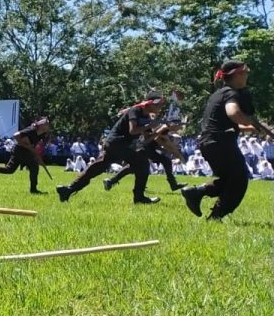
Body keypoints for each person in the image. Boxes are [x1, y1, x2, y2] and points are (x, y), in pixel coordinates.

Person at [181, 60, 272, 220]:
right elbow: (233, 114)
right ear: (236, 75)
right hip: (220, 143)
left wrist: (250, 128)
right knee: (240, 180)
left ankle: (196, 192)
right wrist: (248, 120)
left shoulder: (219, 93)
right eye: (245, 72)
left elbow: (221, 122)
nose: (247, 75)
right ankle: (216, 216)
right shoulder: (231, 93)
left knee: (230, 180)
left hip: (209, 142)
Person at [57, 93, 168, 205]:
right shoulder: (135, 111)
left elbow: (146, 139)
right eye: (158, 105)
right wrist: (150, 125)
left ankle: (68, 190)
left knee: (96, 168)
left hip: (117, 145)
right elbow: (132, 130)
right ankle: (139, 198)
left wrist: (159, 130)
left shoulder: (146, 117)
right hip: (117, 143)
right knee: (142, 164)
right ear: (150, 104)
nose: (160, 107)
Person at [0, 118, 51, 194]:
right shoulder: (31, 130)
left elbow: (32, 145)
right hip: (20, 150)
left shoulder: (42, 134)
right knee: (34, 166)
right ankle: (33, 190)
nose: (48, 126)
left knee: (9, 170)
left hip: (24, 151)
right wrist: (27, 146)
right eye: (47, 124)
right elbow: (16, 135)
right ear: (42, 125)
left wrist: (35, 153)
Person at [102, 129, 187, 192]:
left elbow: (165, 148)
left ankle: (111, 181)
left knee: (133, 168)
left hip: (148, 149)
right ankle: (111, 181)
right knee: (135, 168)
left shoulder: (167, 134)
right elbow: (166, 146)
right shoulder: (164, 133)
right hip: (143, 148)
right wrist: (178, 155)